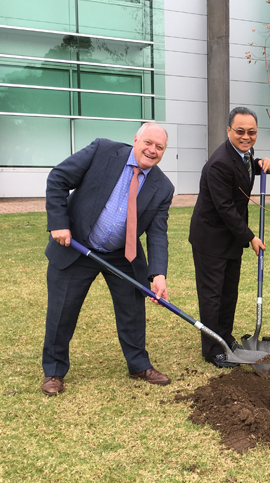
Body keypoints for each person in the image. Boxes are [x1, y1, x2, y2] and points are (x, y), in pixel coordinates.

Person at [41, 123, 173, 396]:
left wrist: (158, 274)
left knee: (132, 312)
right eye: (148, 143)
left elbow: (157, 233)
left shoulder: (163, 187)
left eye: (159, 147)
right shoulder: (102, 150)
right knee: (62, 312)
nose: (152, 150)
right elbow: (58, 178)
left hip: (123, 254)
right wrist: (58, 223)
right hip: (78, 246)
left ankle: (138, 365)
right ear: (135, 140)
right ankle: (54, 370)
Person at [189, 107, 270, 368]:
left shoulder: (244, 154)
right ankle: (213, 349)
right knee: (212, 296)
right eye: (240, 131)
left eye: (252, 132)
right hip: (211, 238)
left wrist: (261, 165)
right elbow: (225, 208)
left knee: (229, 293)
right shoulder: (219, 163)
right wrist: (251, 237)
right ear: (228, 131)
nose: (246, 136)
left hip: (230, 239)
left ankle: (225, 337)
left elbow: (244, 170)